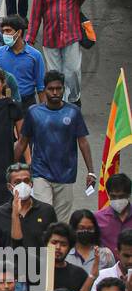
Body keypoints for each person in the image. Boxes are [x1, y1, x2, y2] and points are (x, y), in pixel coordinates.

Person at [15, 72, 95, 221]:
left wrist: (91, 172)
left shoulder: (73, 112)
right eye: (51, 89)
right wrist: (12, 169)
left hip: (66, 175)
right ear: (44, 89)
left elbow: (83, 142)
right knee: (43, 216)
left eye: (59, 88)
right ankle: (43, 245)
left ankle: (54, 245)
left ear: (63, 89)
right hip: (40, 174)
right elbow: (22, 141)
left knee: (61, 222)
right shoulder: (34, 112)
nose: (55, 92)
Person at [27, 0, 102, 106]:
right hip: (50, 40)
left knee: (73, 72)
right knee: (55, 75)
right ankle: (58, 103)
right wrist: (30, 39)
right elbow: (35, 18)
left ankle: (74, 99)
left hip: (71, 38)